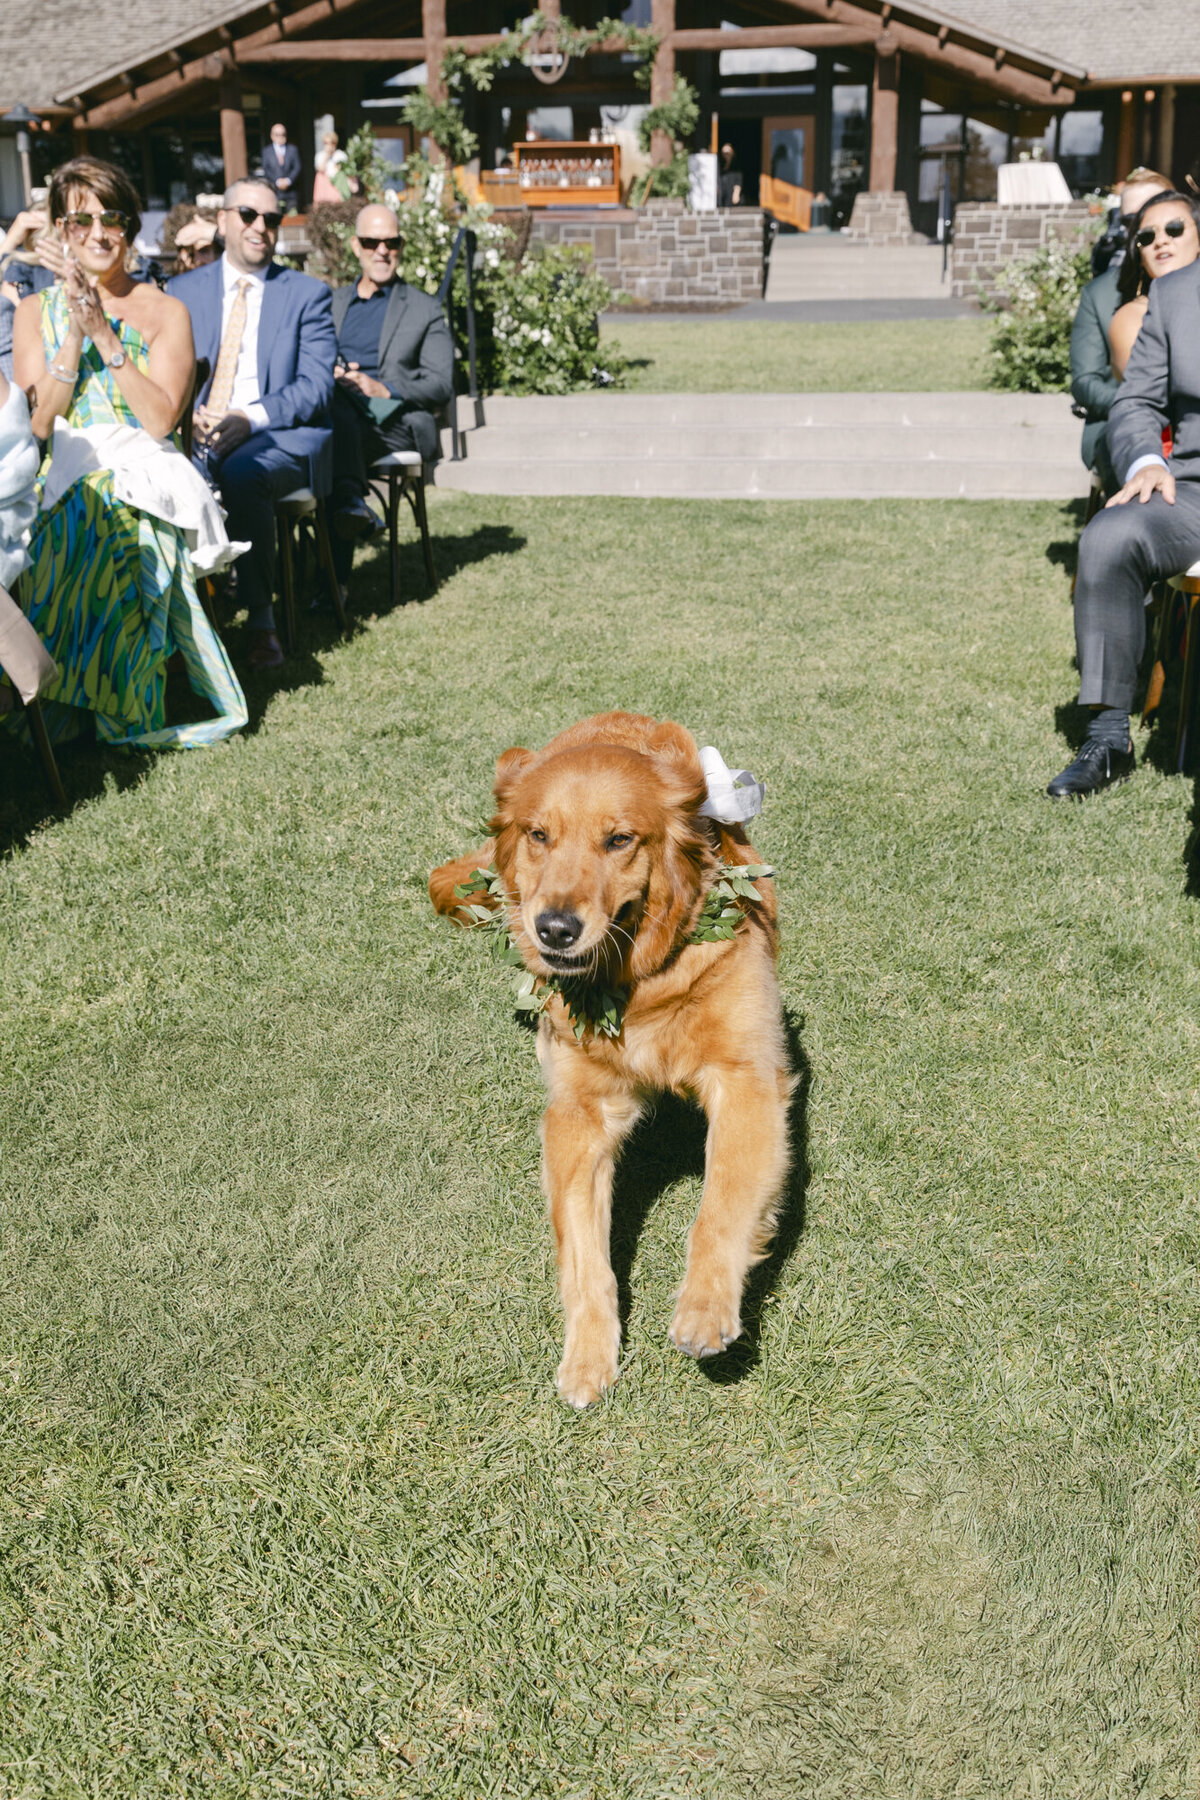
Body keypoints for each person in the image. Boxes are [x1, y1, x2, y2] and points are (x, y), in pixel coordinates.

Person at [8, 156, 247, 750]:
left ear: (130, 225)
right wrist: (73, 331)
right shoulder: (36, 312)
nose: (96, 234)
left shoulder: (167, 312)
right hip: (63, 467)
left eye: (109, 217)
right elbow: (41, 421)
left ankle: (112, 705)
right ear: (61, 232)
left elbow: (161, 419)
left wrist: (107, 338)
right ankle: (76, 700)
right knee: (80, 517)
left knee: (120, 522)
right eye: (78, 221)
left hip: (145, 466)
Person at [1048, 191, 1200, 799]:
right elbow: (1135, 401)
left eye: (1173, 227)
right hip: (1191, 489)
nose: (1160, 238)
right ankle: (1109, 736)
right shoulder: (1173, 296)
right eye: (1148, 232)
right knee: (1110, 535)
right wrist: (1144, 460)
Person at [169, 177, 336, 669]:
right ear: (223, 222)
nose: (260, 226)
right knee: (163, 478)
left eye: (271, 218)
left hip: (278, 435)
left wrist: (250, 417)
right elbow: (166, 368)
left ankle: (261, 622)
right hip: (195, 432)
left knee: (245, 473)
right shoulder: (181, 290)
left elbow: (315, 386)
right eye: (248, 215)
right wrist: (184, 415)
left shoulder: (306, 294)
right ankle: (185, 620)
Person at [329, 202, 453, 564]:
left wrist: (385, 389)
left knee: (325, 439)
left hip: (392, 417)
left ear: (400, 246)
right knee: (326, 419)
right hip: (337, 413)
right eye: (371, 242)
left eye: (391, 242)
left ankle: (331, 581)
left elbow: (442, 383)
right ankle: (349, 506)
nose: (382, 251)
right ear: (356, 246)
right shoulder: (331, 303)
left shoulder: (423, 308)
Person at [1069, 168, 1171, 496]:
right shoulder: (1100, 295)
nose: (1140, 229)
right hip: (1116, 424)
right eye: (1129, 221)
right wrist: (1143, 407)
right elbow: (1085, 383)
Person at [1108, 191, 1200, 379]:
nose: (1161, 241)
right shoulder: (1132, 318)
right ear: (1140, 257)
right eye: (1147, 237)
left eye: (1175, 228)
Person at [262, 122, 302, 215]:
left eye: (283, 134)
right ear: (272, 136)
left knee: (292, 219)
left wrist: (288, 181)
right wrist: (277, 182)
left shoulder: (292, 149)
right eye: (277, 134)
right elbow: (266, 169)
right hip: (275, 191)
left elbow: (297, 167)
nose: (280, 137)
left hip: (291, 193)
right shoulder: (266, 151)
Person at [312, 131, 348, 206]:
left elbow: (341, 171)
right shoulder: (320, 155)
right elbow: (320, 169)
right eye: (326, 143)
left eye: (332, 143)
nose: (329, 145)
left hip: (336, 186)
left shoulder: (341, 155)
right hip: (323, 188)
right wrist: (327, 156)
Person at [718, 144, 742, 209]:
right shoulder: (719, 166)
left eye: (728, 153)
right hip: (721, 195)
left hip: (731, 195)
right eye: (724, 153)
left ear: (732, 153)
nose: (726, 155)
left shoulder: (736, 167)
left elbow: (738, 181)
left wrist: (736, 193)